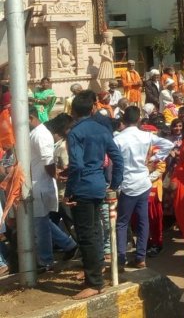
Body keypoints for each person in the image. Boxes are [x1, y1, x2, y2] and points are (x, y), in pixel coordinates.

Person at [66, 90, 124, 300]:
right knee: (96, 232)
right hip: (99, 184)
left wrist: (69, 190)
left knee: (87, 234)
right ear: (92, 109)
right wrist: (114, 183)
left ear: (73, 111)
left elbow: (77, 165)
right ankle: (95, 273)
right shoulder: (101, 130)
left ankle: (94, 282)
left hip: (83, 187)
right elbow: (117, 159)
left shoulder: (75, 133)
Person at [114, 106, 174, 270]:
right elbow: (169, 144)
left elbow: (113, 162)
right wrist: (155, 158)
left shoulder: (118, 139)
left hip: (127, 183)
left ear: (124, 120)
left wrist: (154, 157)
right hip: (143, 181)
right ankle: (140, 257)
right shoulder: (146, 135)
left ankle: (120, 260)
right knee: (143, 220)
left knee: (122, 223)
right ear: (139, 120)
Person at [29, 105, 78, 271]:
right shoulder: (36, 133)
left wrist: (55, 174)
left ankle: (46, 261)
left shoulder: (41, 135)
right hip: (36, 183)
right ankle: (68, 244)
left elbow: (48, 163)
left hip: (40, 185)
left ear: (30, 117)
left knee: (40, 224)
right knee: (41, 222)